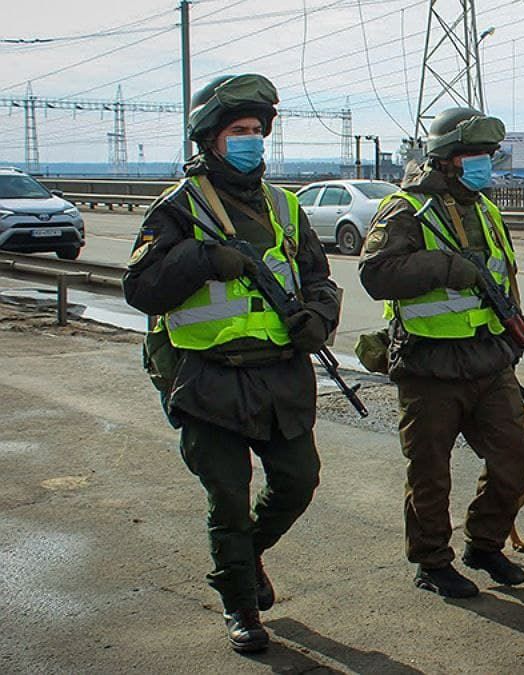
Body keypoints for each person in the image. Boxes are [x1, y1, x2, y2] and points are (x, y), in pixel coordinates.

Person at [123, 73, 341, 653]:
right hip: (207, 379)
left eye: (256, 130)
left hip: (279, 376)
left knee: (298, 481)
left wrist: (319, 319)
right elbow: (140, 288)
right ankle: (239, 603)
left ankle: (247, 556)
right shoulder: (176, 209)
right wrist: (199, 258)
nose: (252, 140)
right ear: (210, 139)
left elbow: (320, 280)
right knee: (228, 497)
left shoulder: (284, 206)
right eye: (239, 131)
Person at [359, 107, 524, 598]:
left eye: (489, 156)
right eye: (477, 156)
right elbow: (375, 275)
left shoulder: (485, 208)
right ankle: (432, 561)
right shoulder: (405, 209)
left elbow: (504, 277)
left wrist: (514, 332)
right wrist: (443, 267)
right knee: (430, 474)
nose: (485, 165)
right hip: (429, 363)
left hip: (489, 359)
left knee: (514, 459)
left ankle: (484, 544)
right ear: (448, 158)